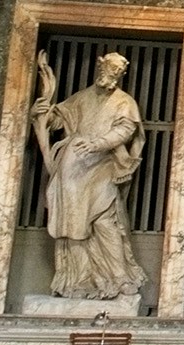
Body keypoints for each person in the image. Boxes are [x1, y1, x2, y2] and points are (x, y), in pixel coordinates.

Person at [29, 51, 148, 300]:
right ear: (101, 67)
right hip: (73, 172)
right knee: (73, 223)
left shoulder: (124, 102)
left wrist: (98, 144)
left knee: (105, 221)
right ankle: (81, 279)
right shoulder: (82, 97)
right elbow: (59, 120)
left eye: (118, 72)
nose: (112, 75)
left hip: (103, 166)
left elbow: (126, 130)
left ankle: (119, 276)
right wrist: (42, 114)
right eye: (109, 69)